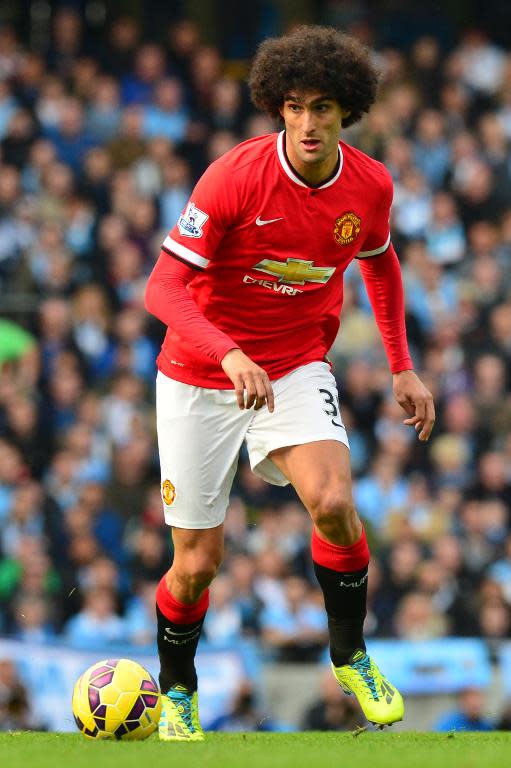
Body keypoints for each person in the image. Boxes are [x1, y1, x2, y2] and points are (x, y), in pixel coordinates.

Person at [145, 25, 435, 742]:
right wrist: (226, 353)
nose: (308, 123)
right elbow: (162, 287)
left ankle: (351, 655)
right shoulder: (234, 176)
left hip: (297, 364)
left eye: (324, 108)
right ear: (277, 106)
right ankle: (178, 689)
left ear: (347, 112)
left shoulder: (368, 185)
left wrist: (400, 363)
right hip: (197, 373)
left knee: (335, 501)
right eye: (296, 107)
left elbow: (380, 262)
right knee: (196, 565)